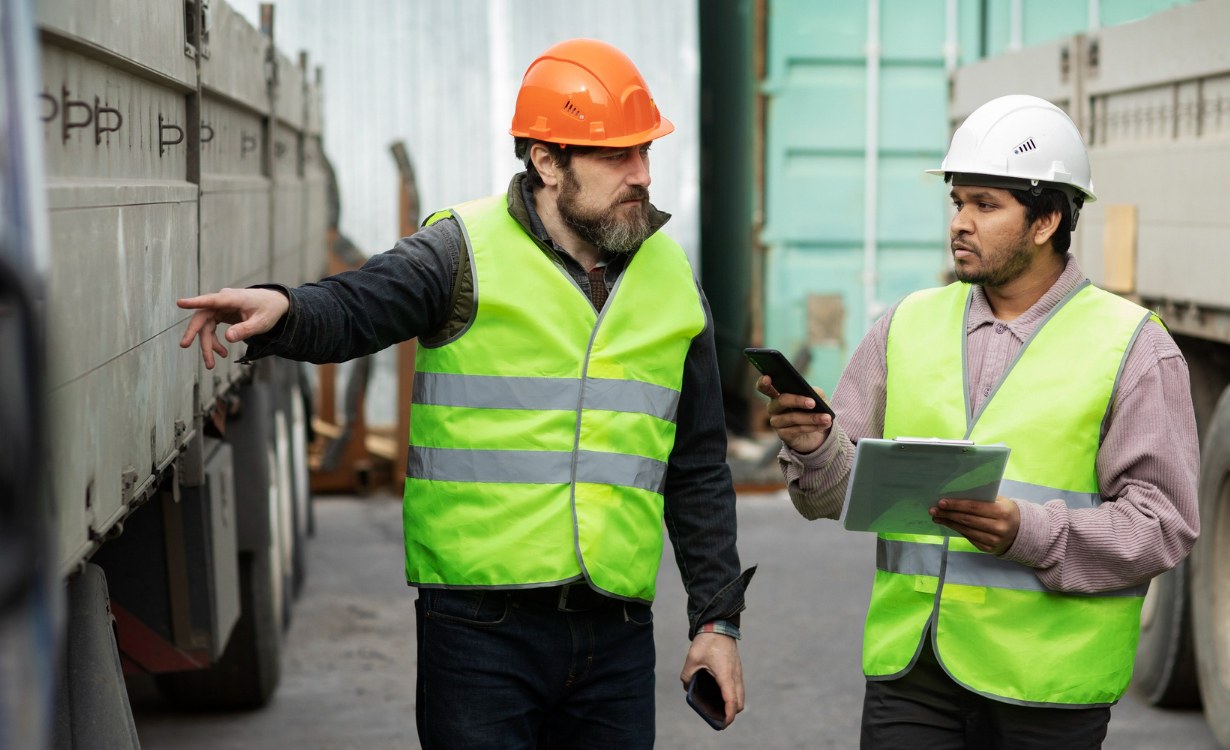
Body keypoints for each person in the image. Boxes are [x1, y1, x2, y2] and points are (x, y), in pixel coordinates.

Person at [178, 38, 755, 749]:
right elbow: (360, 305)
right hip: (481, 636)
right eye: (615, 155)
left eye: (645, 153)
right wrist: (286, 311)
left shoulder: (672, 276)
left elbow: (696, 466)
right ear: (546, 160)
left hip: (618, 634)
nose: (640, 174)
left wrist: (716, 623)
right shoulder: (461, 252)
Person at [756, 94, 1199, 748]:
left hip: (1045, 685)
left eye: (985, 205)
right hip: (913, 674)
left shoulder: (1132, 345)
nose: (961, 222)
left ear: (1046, 219)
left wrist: (1029, 530)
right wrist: (816, 444)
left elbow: (1163, 524)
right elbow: (827, 498)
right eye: (957, 202)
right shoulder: (906, 325)